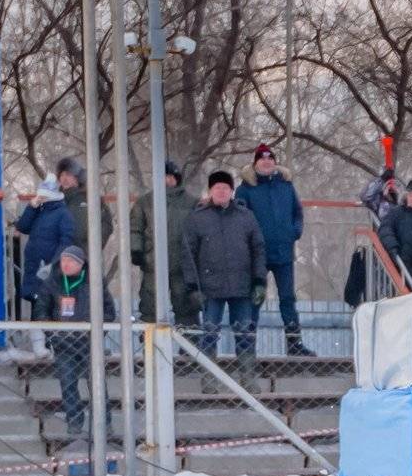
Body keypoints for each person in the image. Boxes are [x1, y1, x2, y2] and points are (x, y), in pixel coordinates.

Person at [180, 171, 267, 388]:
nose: (221, 191)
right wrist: (192, 287)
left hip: (242, 287)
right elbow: (188, 254)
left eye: (225, 188)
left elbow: (258, 249)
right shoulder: (197, 218)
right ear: (210, 191)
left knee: (245, 332)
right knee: (209, 333)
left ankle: (248, 378)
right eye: (217, 188)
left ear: (231, 191)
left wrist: (259, 281)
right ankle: (209, 379)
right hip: (210, 289)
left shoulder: (246, 216)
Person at [32, 245, 114, 437]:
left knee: (97, 386)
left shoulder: (94, 281)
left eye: (70, 261)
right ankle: (74, 423)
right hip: (63, 344)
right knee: (68, 385)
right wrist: (53, 335)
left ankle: (104, 424)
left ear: (80, 263)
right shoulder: (52, 282)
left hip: (89, 344)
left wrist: (94, 333)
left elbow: (109, 312)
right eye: (63, 260)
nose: (65, 264)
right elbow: (41, 311)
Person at [236, 144, 309, 355]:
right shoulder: (245, 189)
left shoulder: (285, 186)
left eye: (270, 159)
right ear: (255, 163)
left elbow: (298, 212)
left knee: (288, 299)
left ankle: (295, 345)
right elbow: (240, 220)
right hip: (256, 255)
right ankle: (247, 347)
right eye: (262, 159)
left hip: (284, 252)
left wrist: (294, 232)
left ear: (274, 162)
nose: (267, 162)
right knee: (255, 299)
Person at [130, 160, 200, 327]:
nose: (166, 180)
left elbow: (199, 232)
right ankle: (150, 350)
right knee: (149, 308)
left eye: (169, 176)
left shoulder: (191, 203)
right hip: (152, 264)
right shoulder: (144, 202)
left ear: (176, 178)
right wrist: (136, 250)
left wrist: (197, 256)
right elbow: (135, 228)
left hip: (182, 266)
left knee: (187, 309)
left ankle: (189, 350)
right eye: (162, 177)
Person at [14, 175, 75, 318]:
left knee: (47, 309)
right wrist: (31, 207)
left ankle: (49, 340)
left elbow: (66, 242)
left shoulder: (63, 214)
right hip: (34, 268)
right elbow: (23, 227)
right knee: (37, 308)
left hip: (49, 272)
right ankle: (38, 339)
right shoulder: (39, 211)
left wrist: (53, 265)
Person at [55, 156, 114, 256]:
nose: (64, 178)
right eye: (62, 175)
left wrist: (92, 248)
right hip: (58, 257)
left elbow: (106, 223)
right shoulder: (54, 201)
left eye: (68, 174)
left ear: (77, 177)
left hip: (84, 257)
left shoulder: (91, 198)